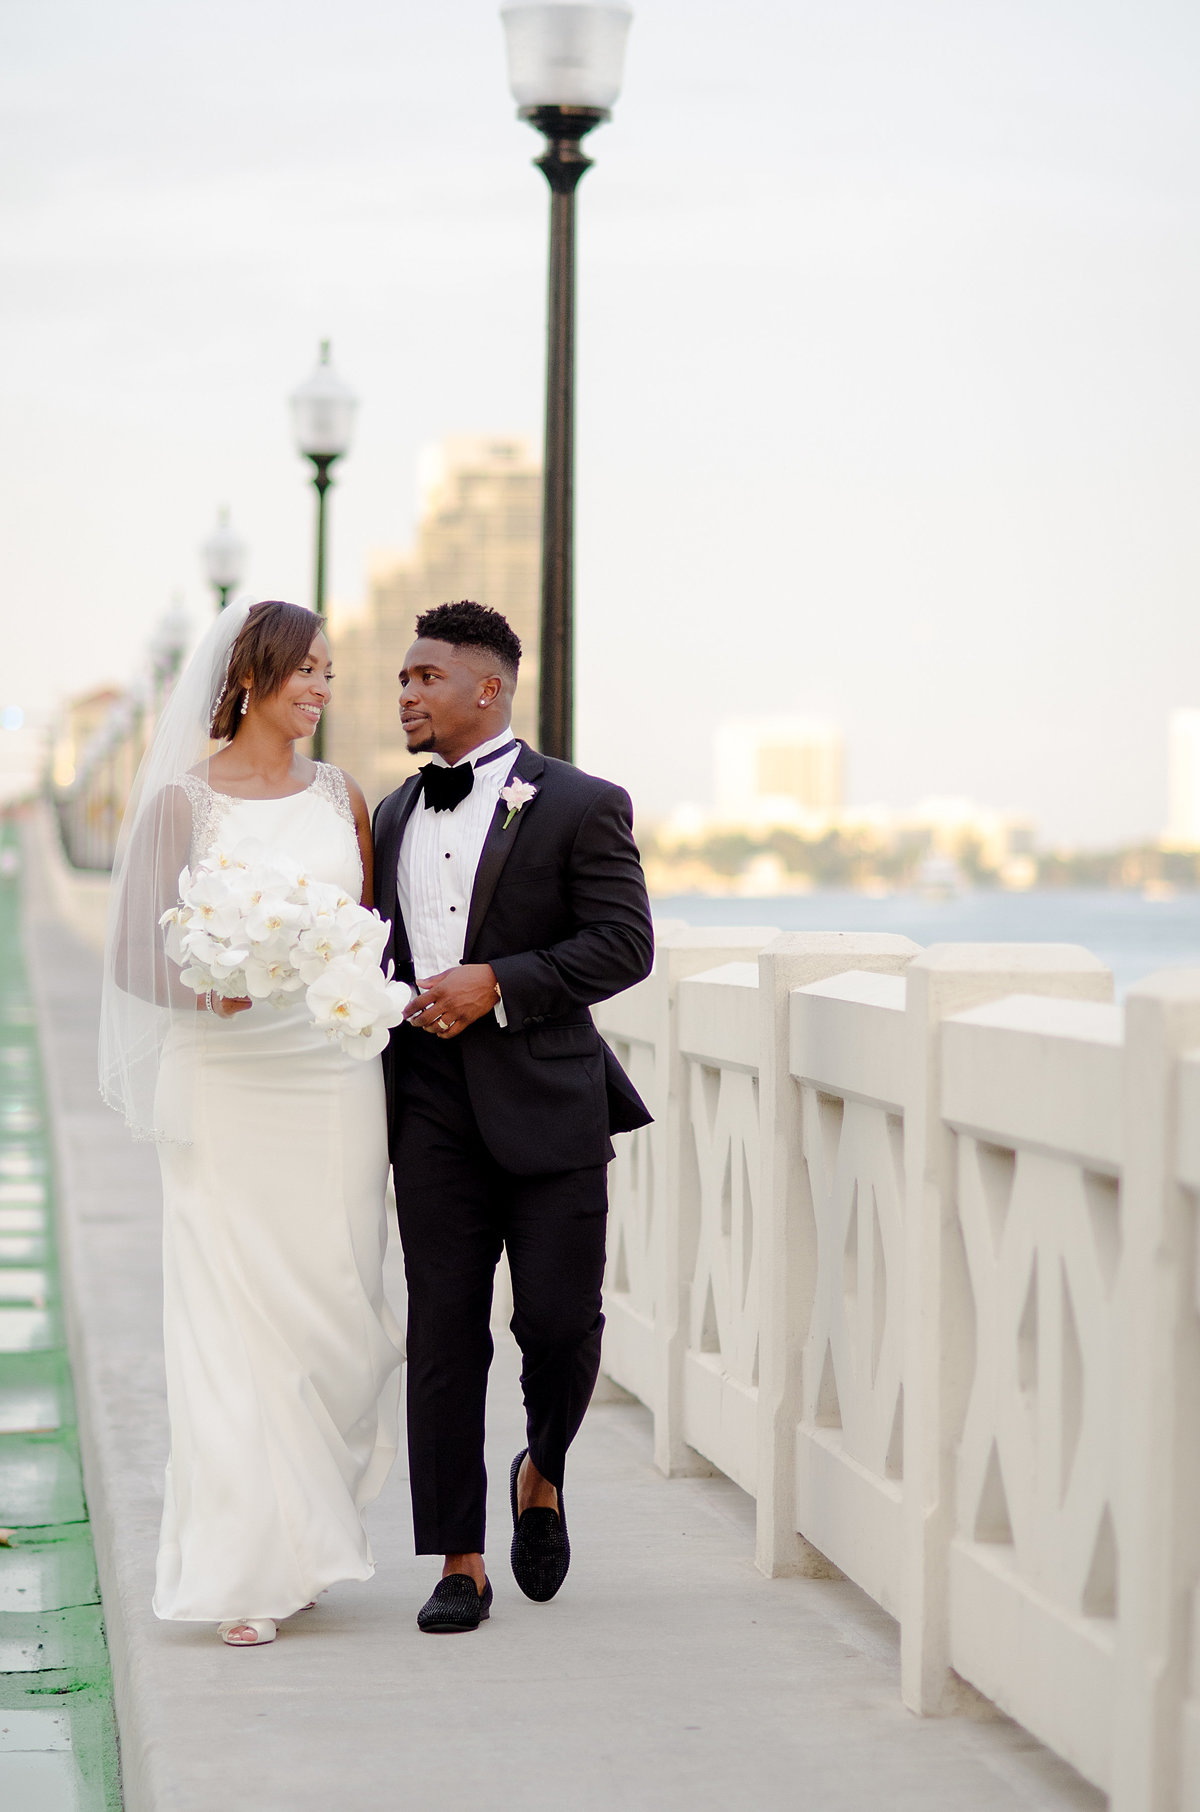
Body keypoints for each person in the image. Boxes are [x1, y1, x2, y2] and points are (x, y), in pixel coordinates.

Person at [99, 599, 402, 1649]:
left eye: (329, 672)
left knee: (339, 1309)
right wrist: (209, 992)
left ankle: (311, 1536)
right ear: (248, 678)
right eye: (304, 672)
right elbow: (130, 952)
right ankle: (244, 1569)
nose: (321, 689)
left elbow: (368, 933)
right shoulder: (183, 805)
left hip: (330, 1076)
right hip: (226, 1077)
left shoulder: (343, 796)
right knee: (231, 1317)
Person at [373, 600, 654, 1634]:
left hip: (550, 1104)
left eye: (423, 677)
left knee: (560, 1327)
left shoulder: (581, 804)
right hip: (430, 1107)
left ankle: (542, 1467)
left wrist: (499, 979)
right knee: (442, 1334)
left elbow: (625, 946)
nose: (405, 694)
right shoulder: (390, 817)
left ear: (487, 688)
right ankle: (458, 1559)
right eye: (401, 679)